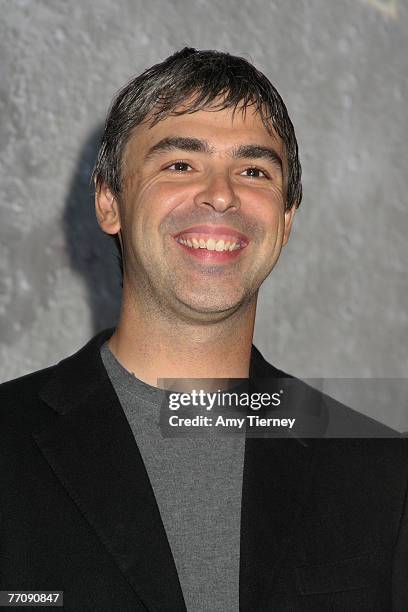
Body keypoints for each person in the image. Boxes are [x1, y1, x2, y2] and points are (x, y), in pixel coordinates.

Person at [1, 48, 407, 612]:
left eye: (254, 171)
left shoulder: (382, 475)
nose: (222, 194)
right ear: (108, 200)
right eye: (180, 165)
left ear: (286, 222)